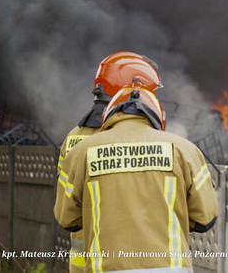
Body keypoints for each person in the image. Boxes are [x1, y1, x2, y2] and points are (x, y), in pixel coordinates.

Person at [54, 63, 218, 273]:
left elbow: (67, 218)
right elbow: (205, 219)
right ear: (158, 116)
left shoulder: (81, 149)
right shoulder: (184, 150)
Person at [57, 52, 164, 273]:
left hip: (82, 261)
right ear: (131, 88)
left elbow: (66, 205)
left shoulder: (73, 137)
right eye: (147, 92)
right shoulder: (133, 136)